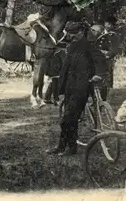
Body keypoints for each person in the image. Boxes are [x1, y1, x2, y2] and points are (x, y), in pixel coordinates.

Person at [46, 21, 108, 156]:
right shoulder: (72, 46)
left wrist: (99, 74)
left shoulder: (89, 45)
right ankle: (61, 146)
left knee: (68, 119)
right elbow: (65, 67)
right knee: (68, 119)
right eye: (69, 34)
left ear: (80, 32)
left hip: (82, 86)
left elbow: (101, 60)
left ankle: (71, 148)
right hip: (70, 86)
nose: (70, 36)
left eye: (73, 34)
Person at [95, 15, 121, 100]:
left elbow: (114, 50)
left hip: (107, 61)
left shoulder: (113, 36)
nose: (109, 25)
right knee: (95, 79)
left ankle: (103, 100)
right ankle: (96, 99)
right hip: (97, 61)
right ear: (105, 23)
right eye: (108, 23)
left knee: (105, 81)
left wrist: (105, 55)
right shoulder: (98, 33)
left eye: (111, 24)